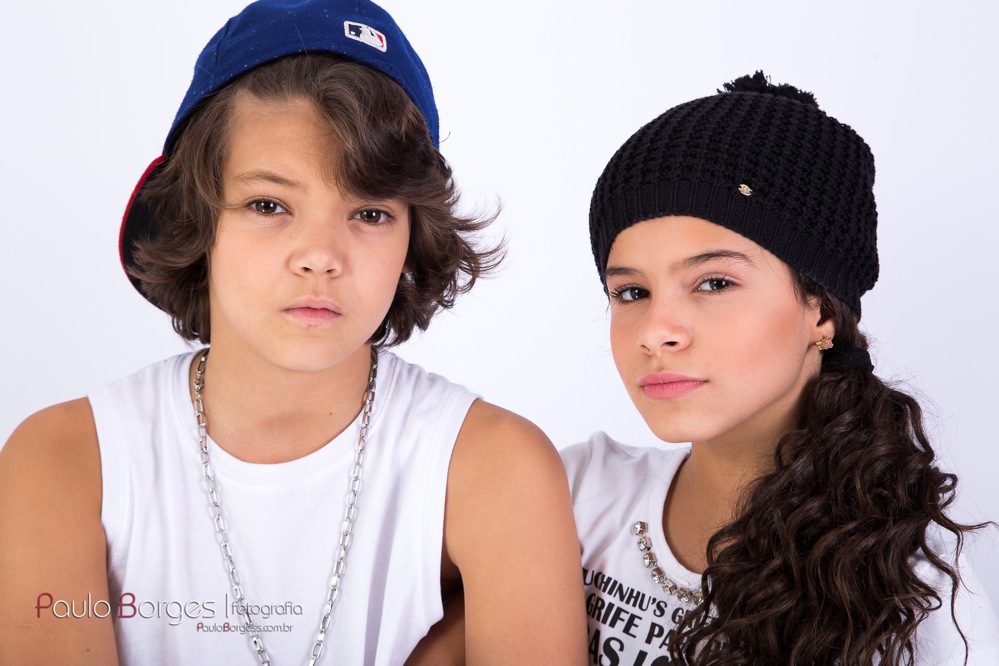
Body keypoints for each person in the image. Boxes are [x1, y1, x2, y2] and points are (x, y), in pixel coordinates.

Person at [0, 0, 586, 663]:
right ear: (198, 219)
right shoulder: (65, 462)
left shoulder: (496, 469)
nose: (320, 256)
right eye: (269, 204)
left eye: (369, 212)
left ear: (413, 235)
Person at [562, 72, 999, 665]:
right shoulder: (576, 492)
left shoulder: (911, 585)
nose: (656, 331)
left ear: (822, 311)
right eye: (631, 292)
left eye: (714, 283)